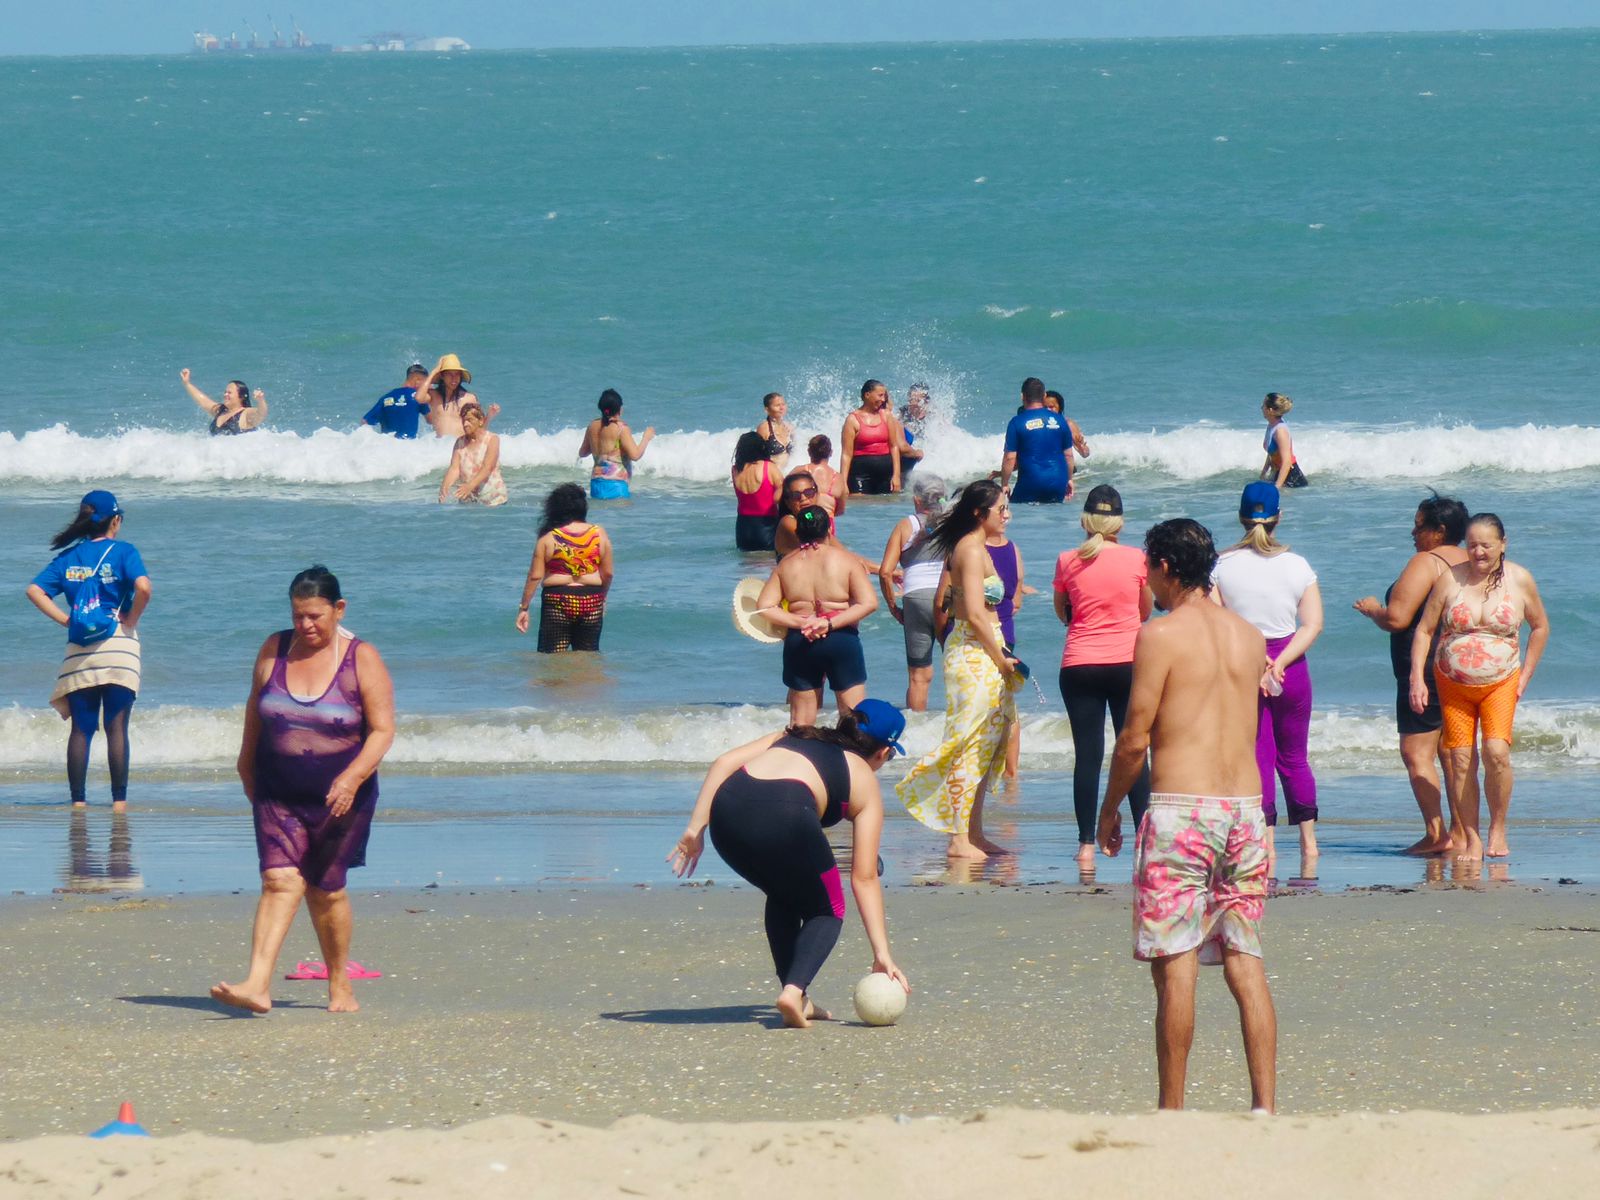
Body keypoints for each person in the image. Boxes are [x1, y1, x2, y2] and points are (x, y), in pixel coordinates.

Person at [1096, 519, 1275, 1113]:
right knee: (1245, 958)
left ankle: (1172, 1112)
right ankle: (1264, 1109)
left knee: (1177, 967)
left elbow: (1133, 738)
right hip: (1247, 814)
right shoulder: (1250, 637)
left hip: (1183, 813)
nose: (1144, 578)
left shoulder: (1160, 635)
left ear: (1166, 568)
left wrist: (1110, 807)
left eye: (1147, 567)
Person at [212, 566, 396, 1014]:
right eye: (298, 616)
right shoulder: (275, 648)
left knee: (325, 889)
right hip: (278, 788)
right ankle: (257, 983)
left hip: (341, 796)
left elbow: (383, 730)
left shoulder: (361, 657)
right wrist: (243, 762)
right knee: (278, 880)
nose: (306, 625)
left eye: (315, 615)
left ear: (339, 609)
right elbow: (256, 711)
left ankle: (340, 986)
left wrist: (352, 778)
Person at [667, 702, 912, 1029]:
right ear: (882, 753)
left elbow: (724, 762)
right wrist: (882, 953)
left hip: (726, 815)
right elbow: (864, 878)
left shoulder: (793, 734)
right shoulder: (864, 778)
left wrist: (695, 829)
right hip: (785, 813)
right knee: (827, 908)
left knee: (784, 892)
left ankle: (796, 994)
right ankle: (794, 991)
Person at [1409, 514, 1550, 860]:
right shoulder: (1449, 580)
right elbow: (1425, 630)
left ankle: (1497, 829)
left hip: (1501, 681)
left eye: (1486, 545)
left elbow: (1540, 627)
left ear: (1503, 544)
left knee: (1496, 753)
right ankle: (1470, 837)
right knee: (1460, 759)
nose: (1478, 552)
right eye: (1472, 545)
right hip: (1452, 681)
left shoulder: (1520, 580)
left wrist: (1527, 674)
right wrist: (1416, 678)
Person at [897, 481, 1018, 860]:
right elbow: (976, 613)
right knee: (968, 744)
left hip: (983, 648)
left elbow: (960, 603)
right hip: (973, 652)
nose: (1007, 515)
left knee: (987, 743)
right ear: (981, 514)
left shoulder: (975, 546)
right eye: (1002, 508)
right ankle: (958, 838)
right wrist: (1000, 658)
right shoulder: (967, 548)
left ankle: (974, 833)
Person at [1212, 483, 1324, 872]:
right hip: (1291, 666)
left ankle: (1268, 845)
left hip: (1245, 666)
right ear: (1279, 517)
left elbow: (1219, 620)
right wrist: (1279, 661)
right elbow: (1312, 625)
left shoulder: (1221, 566)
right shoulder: (1297, 564)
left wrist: (1259, 658)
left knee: (1258, 754)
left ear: (1241, 516)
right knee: (1295, 757)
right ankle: (1309, 844)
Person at [1353, 493, 1473, 855]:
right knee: (1452, 752)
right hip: (1463, 666)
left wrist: (1375, 609)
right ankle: (1464, 833)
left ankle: (1437, 834)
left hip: (1425, 668)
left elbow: (1398, 618)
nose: (1413, 532)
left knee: (1416, 751)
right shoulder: (1474, 560)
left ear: (1439, 531)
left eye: (1419, 525)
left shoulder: (1427, 561)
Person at [25, 490, 152, 809]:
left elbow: (34, 591)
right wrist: (132, 619)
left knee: (81, 728)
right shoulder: (124, 551)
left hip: (79, 651)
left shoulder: (68, 558)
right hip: (119, 648)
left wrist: (66, 620)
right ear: (116, 520)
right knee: (116, 727)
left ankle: (78, 803)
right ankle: (119, 803)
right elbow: (143, 587)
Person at [1054, 485, 1153, 867]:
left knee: (1088, 757)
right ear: (1119, 521)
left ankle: (1085, 847)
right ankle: (1144, 843)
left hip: (1079, 664)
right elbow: (1144, 613)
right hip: (1128, 664)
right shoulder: (1137, 559)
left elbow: (1064, 614)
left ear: (1086, 518)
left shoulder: (1067, 559)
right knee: (1133, 753)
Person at [755, 506, 878, 726]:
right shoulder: (847, 560)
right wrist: (828, 624)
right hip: (840, 638)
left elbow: (764, 607)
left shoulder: (786, 564)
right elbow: (869, 603)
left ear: (798, 532)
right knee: (854, 718)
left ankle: (801, 759)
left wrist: (801, 621)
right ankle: (853, 759)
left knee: (801, 723)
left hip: (800, 640)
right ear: (829, 529)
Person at [515, 483, 614, 652]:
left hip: (558, 600)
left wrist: (524, 608)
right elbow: (608, 573)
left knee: (552, 655)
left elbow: (535, 576)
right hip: (591, 600)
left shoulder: (548, 537)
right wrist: (602, 598)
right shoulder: (598, 534)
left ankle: (557, 680)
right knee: (587, 656)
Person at [877, 474, 947, 712]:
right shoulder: (953, 522)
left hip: (915, 596)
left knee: (919, 675)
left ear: (917, 500)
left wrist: (893, 608)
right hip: (945, 596)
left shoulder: (906, 525)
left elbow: (886, 572)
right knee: (958, 666)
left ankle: (916, 729)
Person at [1000, 377, 1072, 503]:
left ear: (1022, 396)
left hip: (1030, 483)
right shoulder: (1060, 420)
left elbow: (1010, 458)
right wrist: (1069, 479)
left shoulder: (1016, 422)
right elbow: (1069, 455)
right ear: (1044, 396)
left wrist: (1004, 484)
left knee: (1018, 517)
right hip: (1058, 482)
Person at [579, 389, 654, 500]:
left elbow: (583, 453)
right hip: (616, 486)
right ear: (619, 409)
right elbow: (635, 455)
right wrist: (646, 438)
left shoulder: (592, 426)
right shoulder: (621, 429)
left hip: (596, 485)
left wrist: (599, 446)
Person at [438, 402, 507, 506]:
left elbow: (488, 467)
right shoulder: (459, 442)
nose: (465, 424)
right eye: (464, 420)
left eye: (469, 420)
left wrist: (469, 486)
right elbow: (454, 469)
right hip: (470, 501)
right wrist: (444, 488)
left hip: (495, 501)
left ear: (480, 421)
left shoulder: (492, 439)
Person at [840, 379, 901, 495]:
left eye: (884, 396)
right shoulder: (852, 420)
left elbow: (894, 447)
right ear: (867, 395)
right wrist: (843, 482)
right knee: (862, 509)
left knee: (885, 509)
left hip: (885, 476)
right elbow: (846, 454)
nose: (883, 399)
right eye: (880, 395)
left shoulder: (886, 416)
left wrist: (896, 475)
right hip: (859, 476)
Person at [418, 354, 498, 439]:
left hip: (460, 447)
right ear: (442, 376)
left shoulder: (469, 398)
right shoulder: (434, 396)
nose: (454, 378)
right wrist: (434, 372)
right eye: (449, 374)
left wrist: (489, 416)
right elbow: (419, 398)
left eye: (457, 374)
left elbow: (479, 429)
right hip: (439, 448)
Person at [732, 432, 783, 551]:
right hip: (766, 525)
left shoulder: (735, 469)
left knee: (748, 567)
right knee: (766, 565)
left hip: (743, 527)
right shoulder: (768, 467)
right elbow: (784, 492)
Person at [180, 368, 267, 435]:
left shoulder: (246, 413)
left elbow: (260, 414)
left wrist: (261, 401)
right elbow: (203, 401)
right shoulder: (220, 411)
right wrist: (187, 384)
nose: (225, 394)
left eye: (229, 393)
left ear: (241, 397)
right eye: (225, 392)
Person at [360, 363, 431, 438]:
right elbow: (431, 421)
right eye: (426, 383)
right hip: (409, 446)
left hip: (388, 445)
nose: (426, 387)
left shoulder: (385, 398)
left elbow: (365, 421)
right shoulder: (417, 397)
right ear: (417, 380)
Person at [1259, 392, 1307, 489]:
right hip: (1278, 474)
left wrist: (1277, 487)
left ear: (1270, 410)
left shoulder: (1280, 431)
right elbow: (1271, 453)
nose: (1261, 408)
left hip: (1292, 478)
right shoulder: (1271, 425)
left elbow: (1287, 462)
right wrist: (1263, 474)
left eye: (1263, 405)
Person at [801, 435, 848, 524]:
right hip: (827, 523)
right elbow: (840, 510)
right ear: (831, 453)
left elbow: (782, 499)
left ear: (809, 452)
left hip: (806, 518)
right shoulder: (838, 478)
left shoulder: (800, 471)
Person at [1045, 389, 1092, 459]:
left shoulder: (1068, 424)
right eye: (1045, 407)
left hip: (1064, 467)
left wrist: (1081, 447)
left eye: (1051, 407)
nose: (1048, 410)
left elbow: (1085, 454)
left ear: (1059, 407)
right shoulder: (1038, 424)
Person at [756, 392, 794, 473]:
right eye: (777, 405)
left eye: (783, 404)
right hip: (771, 475)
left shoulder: (789, 427)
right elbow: (756, 456)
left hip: (787, 474)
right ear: (767, 410)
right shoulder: (764, 428)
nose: (781, 408)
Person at [896, 384, 928, 477]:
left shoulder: (932, 415)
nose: (914, 403)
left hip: (925, 446)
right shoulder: (902, 412)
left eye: (918, 400)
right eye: (911, 400)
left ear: (925, 401)